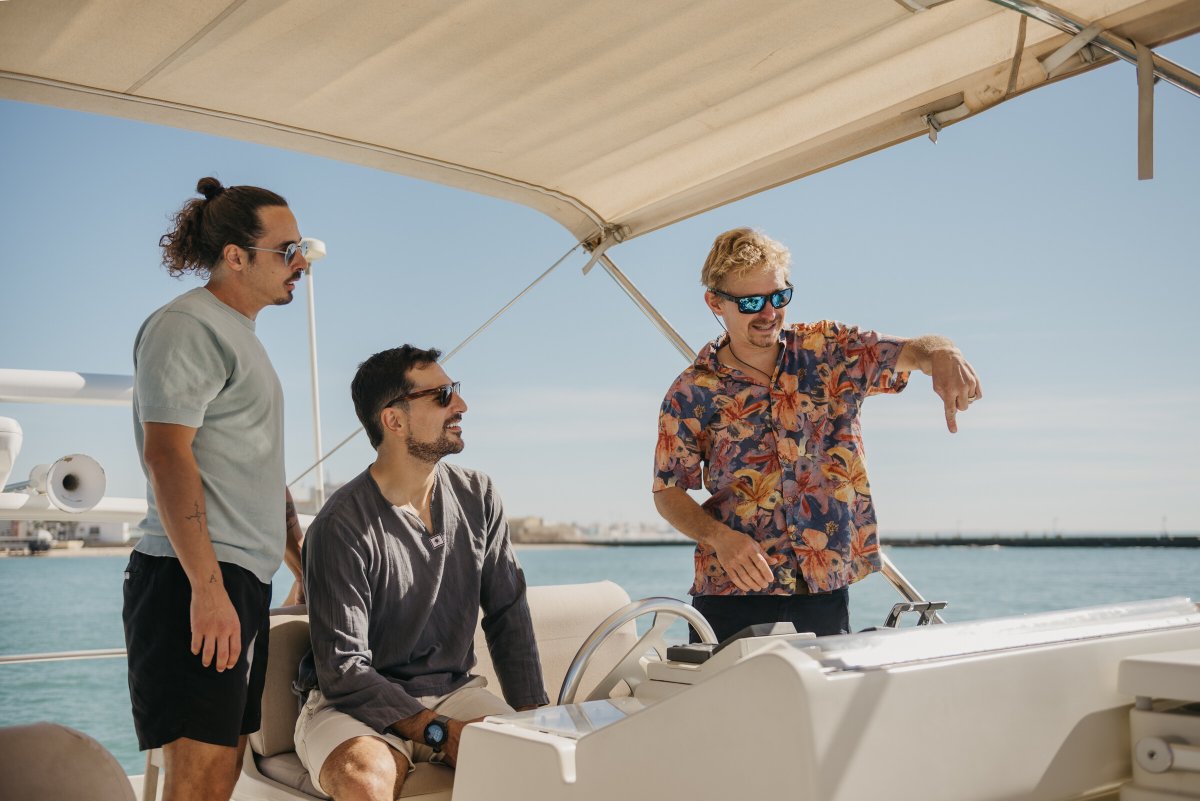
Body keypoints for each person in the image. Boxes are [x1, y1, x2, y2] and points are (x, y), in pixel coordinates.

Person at [652, 227, 981, 642]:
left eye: (779, 296)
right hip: (732, 593)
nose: (769, 312)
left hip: (824, 591)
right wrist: (719, 537)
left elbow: (916, 351)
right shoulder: (691, 390)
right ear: (715, 302)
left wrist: (944, 353)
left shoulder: (831, 350)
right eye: (751, 302)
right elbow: (668, 491)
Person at [123, 177, 308, 801]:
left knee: (225, 764)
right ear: (235, 255)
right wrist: (206, 587)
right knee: (199, 776)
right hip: (193, 581)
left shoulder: (239, 335)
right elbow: (167, 455)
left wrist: (301, 565)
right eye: (287, 250)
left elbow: (255, 469)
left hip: (236, 582)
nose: (301, 263)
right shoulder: (187, 326)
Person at [294, 345, 547, 800]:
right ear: (393, 420)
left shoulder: (479, 495)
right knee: (362, 780)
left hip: (453, 690)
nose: (461, 406)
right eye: (443, 395)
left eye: (456, 392)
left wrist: (534, 719)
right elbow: (344, 670)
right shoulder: (340, 526)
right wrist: (438, 733)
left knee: (543, 761)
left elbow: (508, 614)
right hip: (353, 704)